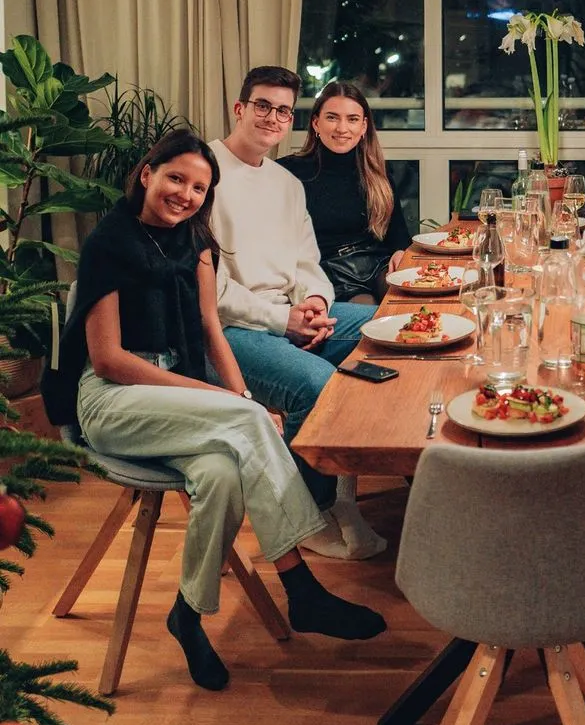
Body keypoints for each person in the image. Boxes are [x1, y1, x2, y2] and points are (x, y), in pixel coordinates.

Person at [42, 131, 387, 692]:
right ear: (147, 172)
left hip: (177, 395)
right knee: (248, 419)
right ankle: (301, 589)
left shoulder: (195, 241)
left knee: (224, 475)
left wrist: (238, 394)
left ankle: (189, 616)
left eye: (200, 187)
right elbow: (107, 361)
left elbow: (210, 330)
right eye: (176, 178)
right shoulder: (110, 241)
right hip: (112, 401)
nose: (185, 194)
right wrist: (229, 403)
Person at [210, 66, 386, 561]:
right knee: (320, 385)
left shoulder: (286, 183)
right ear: (240, 108)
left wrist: (315, 303)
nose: (272, 117)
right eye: (262, 105)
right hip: (228, 330)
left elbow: (308, 261)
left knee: (388, 335)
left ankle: (340, 498)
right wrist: (281, 319)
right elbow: (208, 290)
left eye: (282, 109)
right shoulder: (206, 171)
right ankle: (302, 514)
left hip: (288, 314)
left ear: (291, 120)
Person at [279, 80, 410, 304]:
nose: (342, 128)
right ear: (316, 123)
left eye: (352, 119)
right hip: (326, 272)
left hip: (376, 264)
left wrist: (400, 253)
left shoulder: (377, 172)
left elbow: (398, 235)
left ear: (364, 126)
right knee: (367, 315)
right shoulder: (287, 172)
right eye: (332, 117)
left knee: (410, 302)